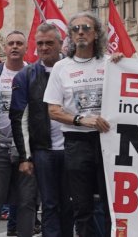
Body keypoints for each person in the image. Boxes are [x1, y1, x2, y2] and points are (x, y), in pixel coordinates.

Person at [44, 13, 110, 237]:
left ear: (96, 34)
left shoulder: (111, 63)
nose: (80, 32)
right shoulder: (61, 67)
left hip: (108, 141)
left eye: (86, 28)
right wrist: (81, 120)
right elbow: (52, 110)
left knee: (111, 203)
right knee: (82, 206)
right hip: (76, 142)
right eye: (75, 29)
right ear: (70, 36)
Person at [11, 23, 72, 237]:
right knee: (49, 204)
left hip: (72, 148)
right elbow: (19, 119)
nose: (44, 47)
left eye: (49, 43)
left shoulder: (73, 70)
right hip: (43, 151)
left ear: (60, 44)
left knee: (70, 204)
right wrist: (25, 156)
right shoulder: (25, 76)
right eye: (40, 44)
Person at [0, 32, 36, 237]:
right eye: (10, 43)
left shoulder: (33, 73)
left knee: (27, 202)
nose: (14, 47)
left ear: (26, 47)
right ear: (5, 47)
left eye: (19, 43)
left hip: (26, 149)